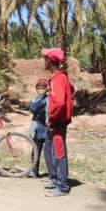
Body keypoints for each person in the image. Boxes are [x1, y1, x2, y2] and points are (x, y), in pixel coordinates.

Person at [41, 47, 74, 197]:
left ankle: (63, 186)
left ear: (50, 61)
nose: (43, 61)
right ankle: (54, 178)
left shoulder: (58, 79)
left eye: (45, 59)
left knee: (59, 153)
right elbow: (71, 89)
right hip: (54, 122)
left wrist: (53, 118)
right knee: (48, 149)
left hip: (57, 123)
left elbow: (60, 102)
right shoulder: (59, 77)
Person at [27, 78, 49, 178]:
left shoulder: (48, 99)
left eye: (43, 88)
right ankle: (34, 171)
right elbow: (32, 109)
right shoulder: (36, 99)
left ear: (46, 89)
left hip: (47, 129)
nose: (41, 90)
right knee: (35, 151)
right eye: (39, 88)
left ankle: (52, 174)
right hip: (37, 129)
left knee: (48, 152)